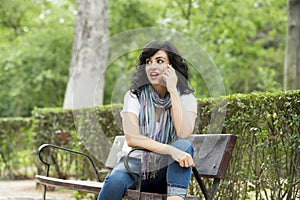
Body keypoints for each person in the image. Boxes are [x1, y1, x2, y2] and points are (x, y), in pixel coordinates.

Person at [98, 41, 197, 200]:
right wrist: (171, 150)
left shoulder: (186, 98)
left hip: (167, 172)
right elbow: (132, 138)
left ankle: (175, 198)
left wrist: (172, 90)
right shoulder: (134, 96)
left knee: (183, 145)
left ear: (172, 67)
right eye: (148, 62)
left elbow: (183, 132)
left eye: (159, 61)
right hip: (136, 165)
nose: (152, 66)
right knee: (115, 180)